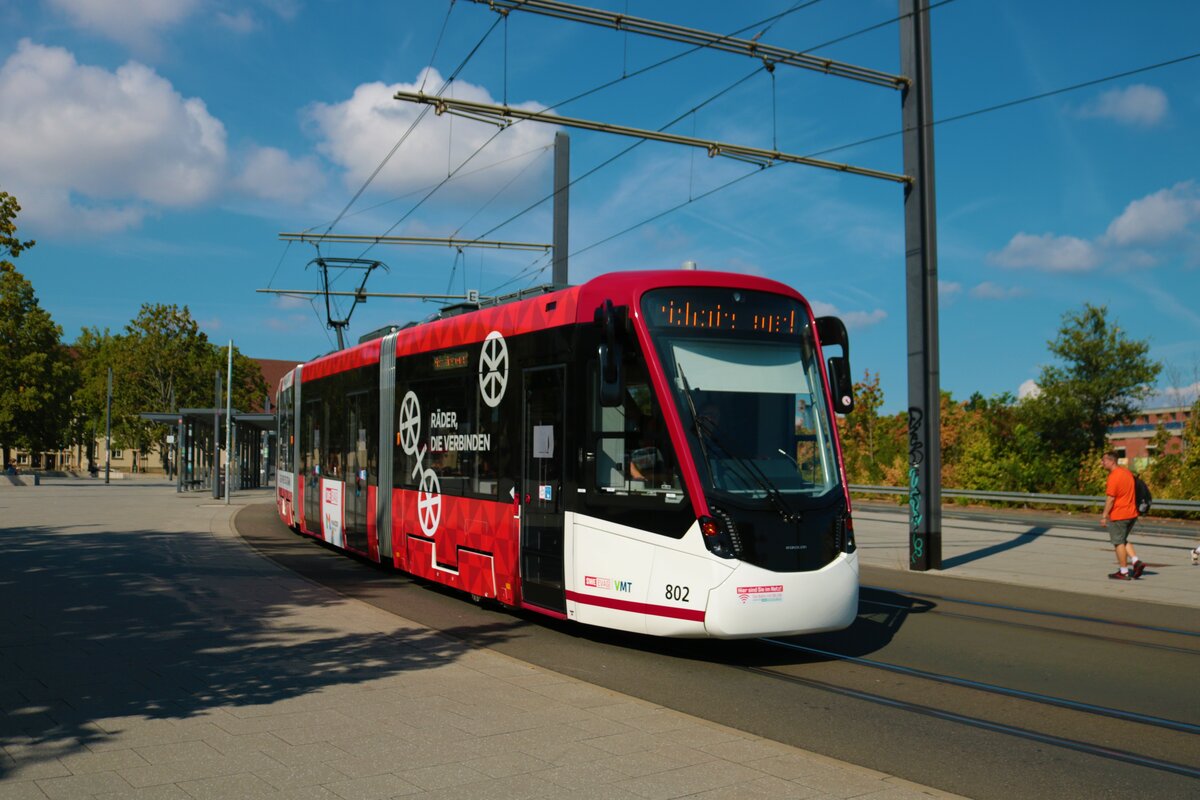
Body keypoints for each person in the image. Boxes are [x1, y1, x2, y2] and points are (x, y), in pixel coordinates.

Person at [1100, 450, 1145, 580]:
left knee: (1118, 542)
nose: (1102, 463)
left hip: (1119, 514)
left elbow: (1111, 499)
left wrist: (1104, 516)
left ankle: (1124, 571)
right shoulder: (1127, 472)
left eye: (1104, 460)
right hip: (1132, 513)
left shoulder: (1114, 476)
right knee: (1123, 538)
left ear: (1111, 461)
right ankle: (1136, 561)